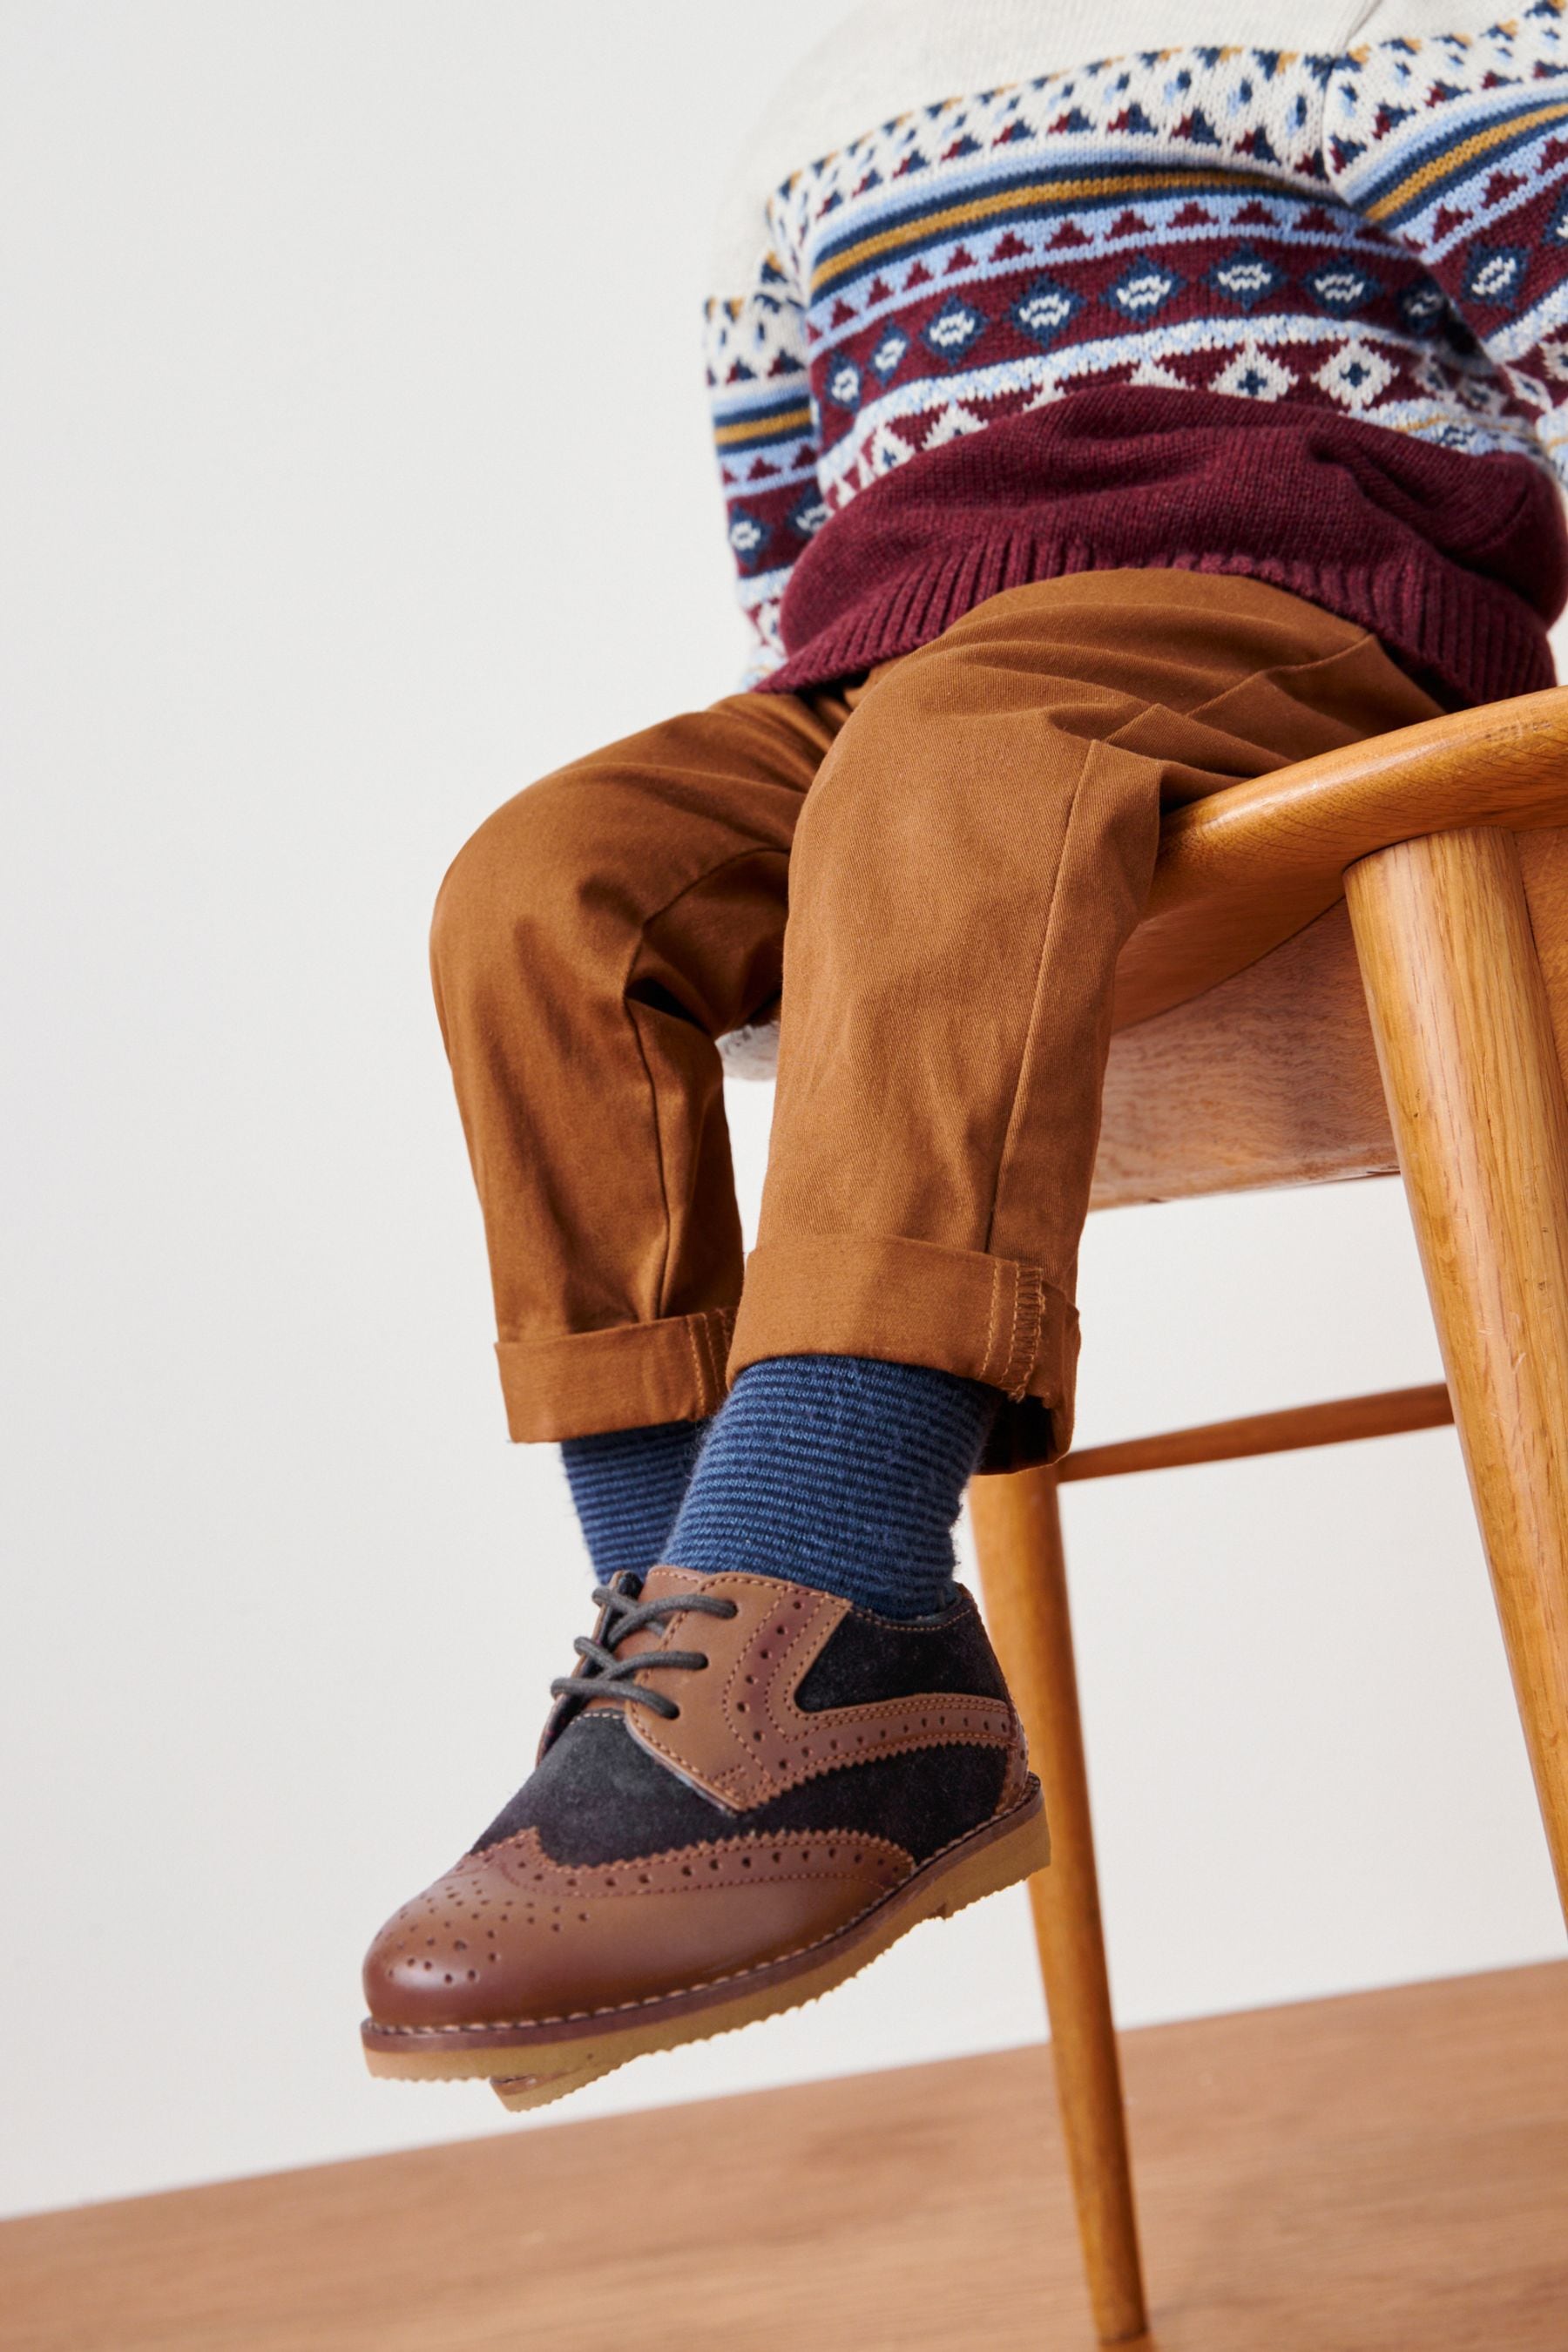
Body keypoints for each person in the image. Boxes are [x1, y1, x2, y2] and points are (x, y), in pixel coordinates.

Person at [361, 0, 1568, 2110]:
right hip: (898, 680)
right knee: (542, 889)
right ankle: (710, 1674)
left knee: (945, 761)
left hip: (1292, 596)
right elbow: (782, 516)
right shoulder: (823, 105)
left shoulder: (1380, 21)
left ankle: (818, 1586)